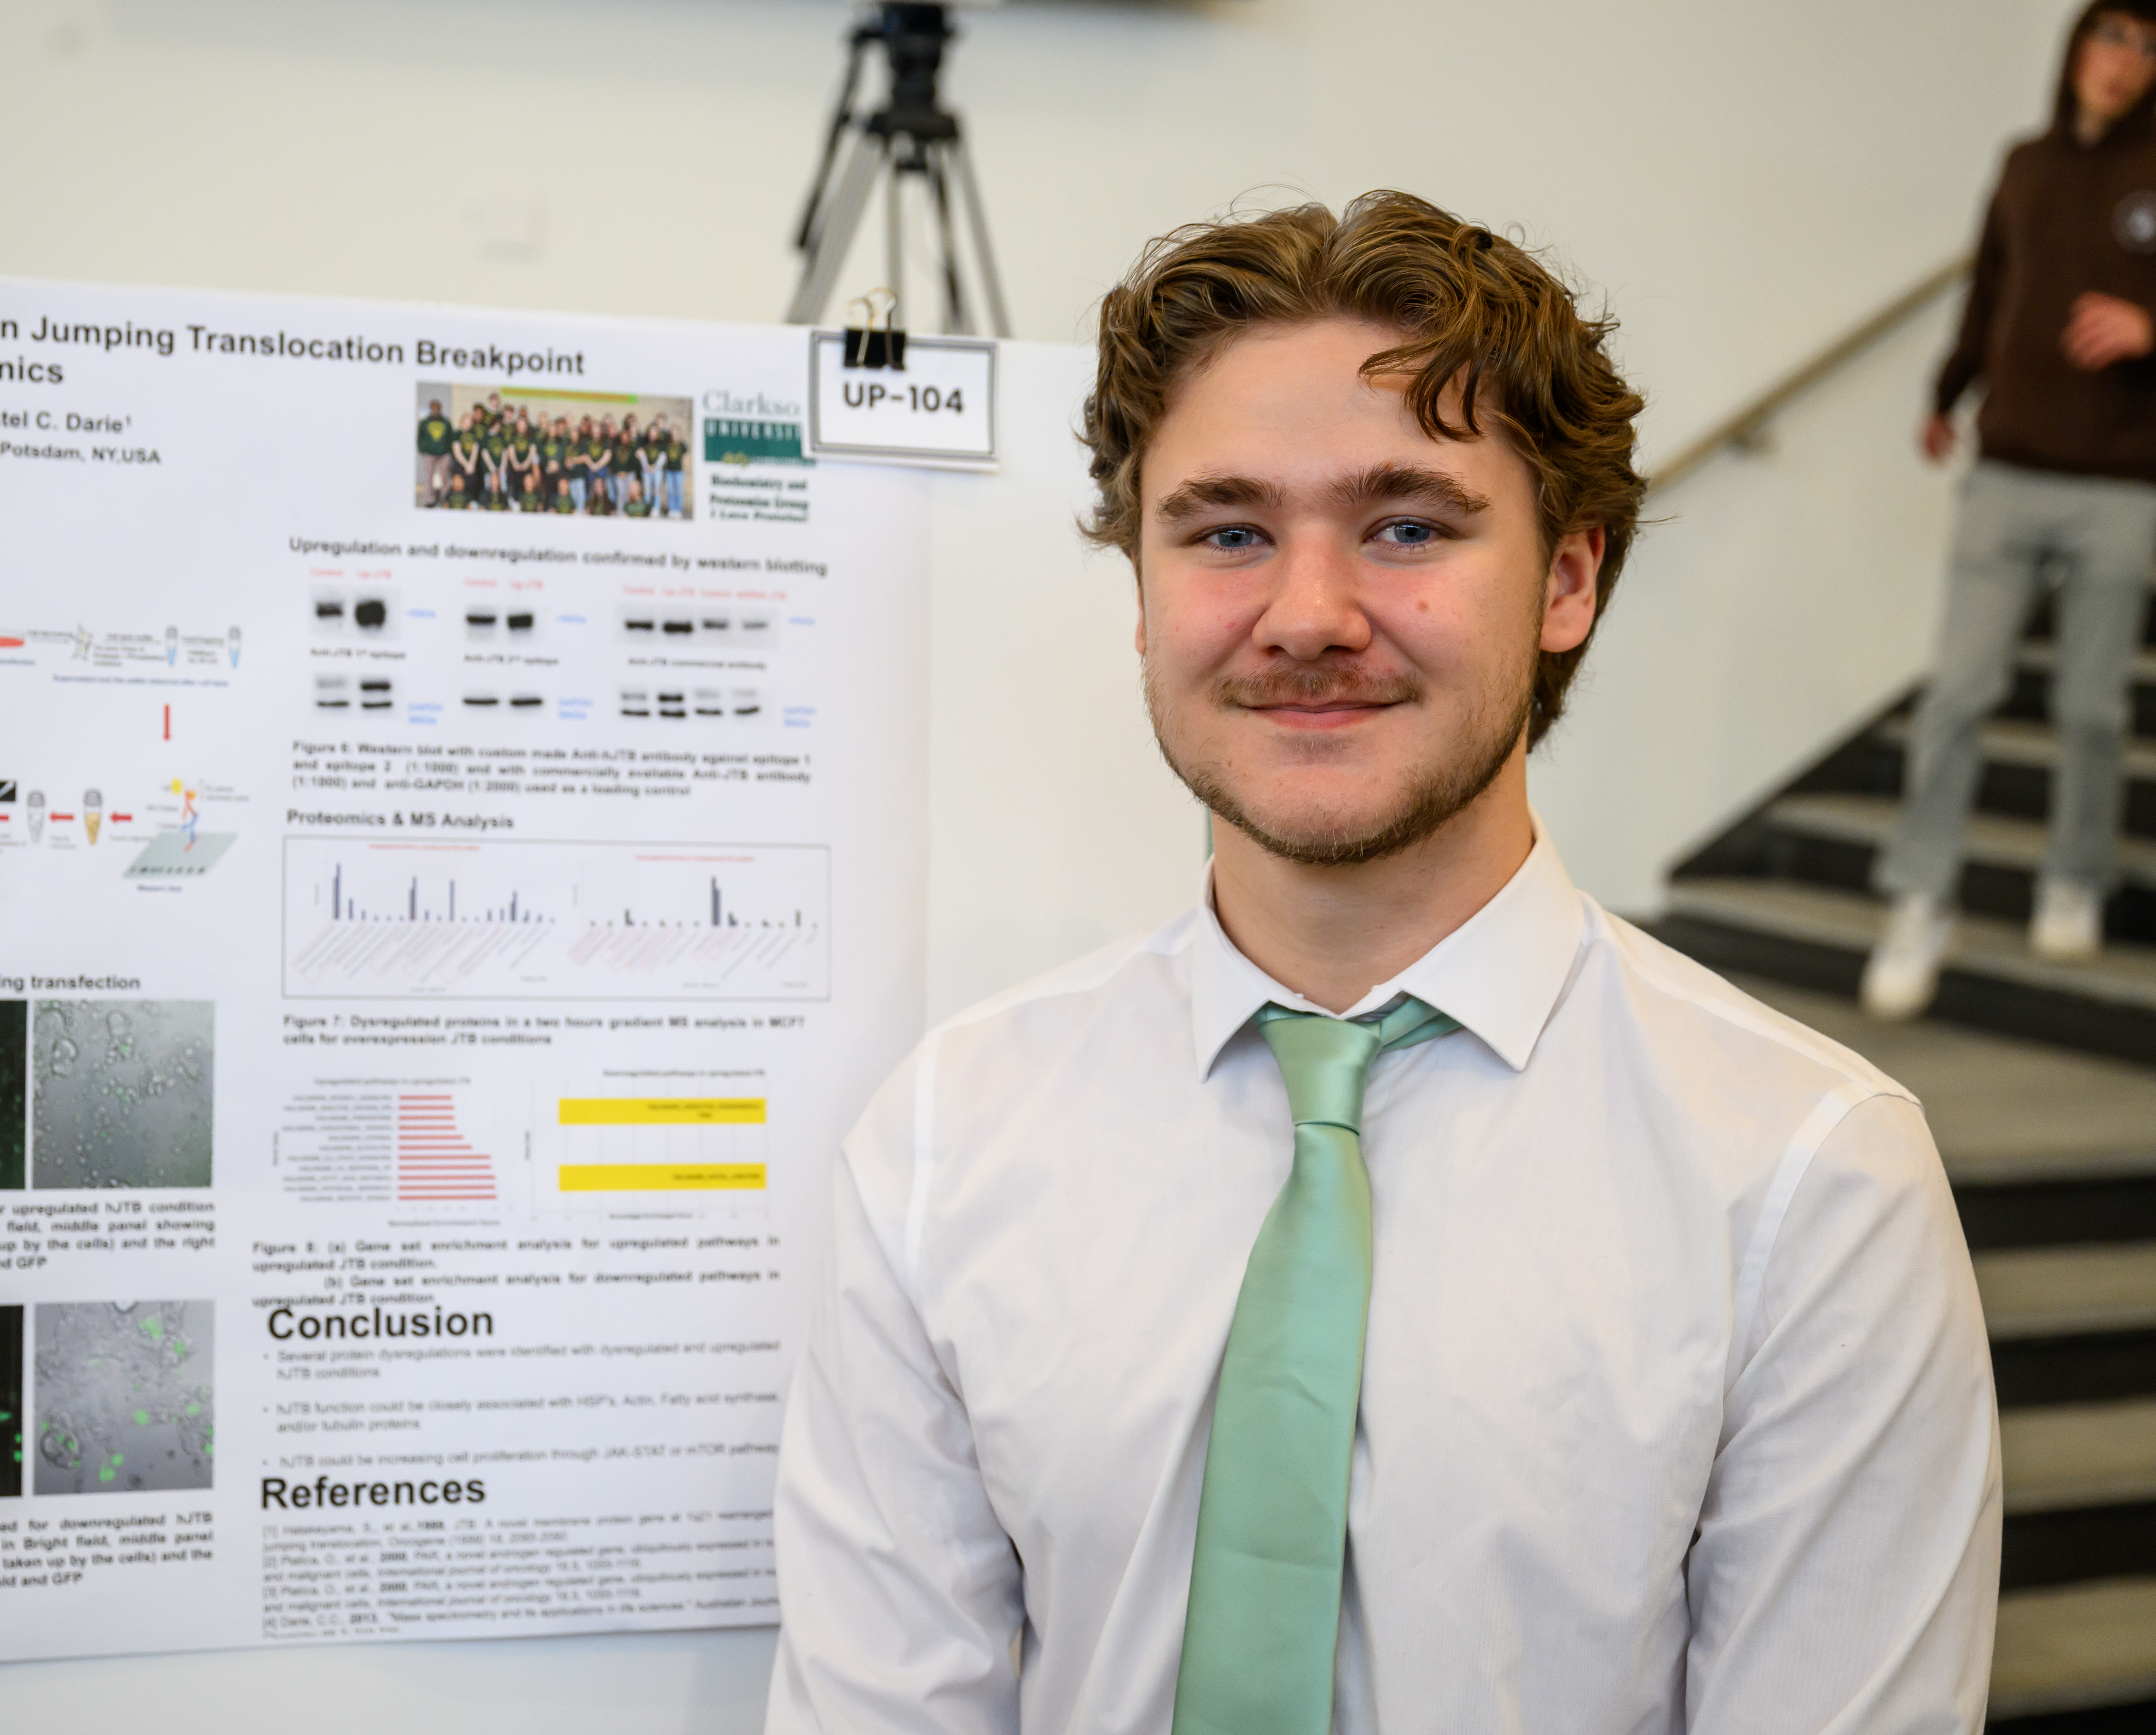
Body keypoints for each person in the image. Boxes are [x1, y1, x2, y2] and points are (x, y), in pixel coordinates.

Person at [767, 192, 1999, 1735]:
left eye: (1407, 524)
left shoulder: (1812, 1179)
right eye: (1225, 530)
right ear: (1143, 596)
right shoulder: (949, 1135)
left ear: (1567, 582)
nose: (1307, 613)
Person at [1864, 1, 2156, 1017]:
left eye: (2144, 46)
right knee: (1958, 695)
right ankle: (1920, 896)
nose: (2122, 61)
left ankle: (2073, 876)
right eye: (2109, 37)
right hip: (2010, 470)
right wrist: (1948, 393)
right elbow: (1989, 288)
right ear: (2077, 48)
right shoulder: (2025, 163)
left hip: (2123, 484)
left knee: (2088, 707)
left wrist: (2147, 324)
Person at [416, 397, 455, 507]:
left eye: (437, 408)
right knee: (429, 476)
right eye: (433, 408)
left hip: (444, 454)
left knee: (445, 476)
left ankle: (445, 498)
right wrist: (423, 451)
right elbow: (420, 438)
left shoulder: (446, 423)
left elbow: (450, 438)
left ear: (440, 409)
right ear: (430, 409)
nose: (436, 410)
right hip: (429, 454)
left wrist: (449, 452)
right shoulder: (424, 423)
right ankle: (430, 500)